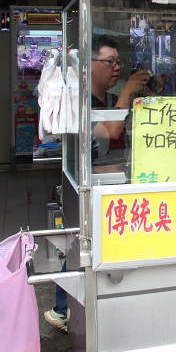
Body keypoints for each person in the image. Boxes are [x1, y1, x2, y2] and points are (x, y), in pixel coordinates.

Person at [45, 35, 150, 333]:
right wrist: (129, 88)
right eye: (110, 62)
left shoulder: (106, 97)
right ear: (89, 66)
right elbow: (110, 130)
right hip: (92, 185)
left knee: (89, 247)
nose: (117, 67)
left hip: (112, 183)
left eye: (119, 62)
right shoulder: (84, 100)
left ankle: (77, 306)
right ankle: (64, 310)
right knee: (83, 247)